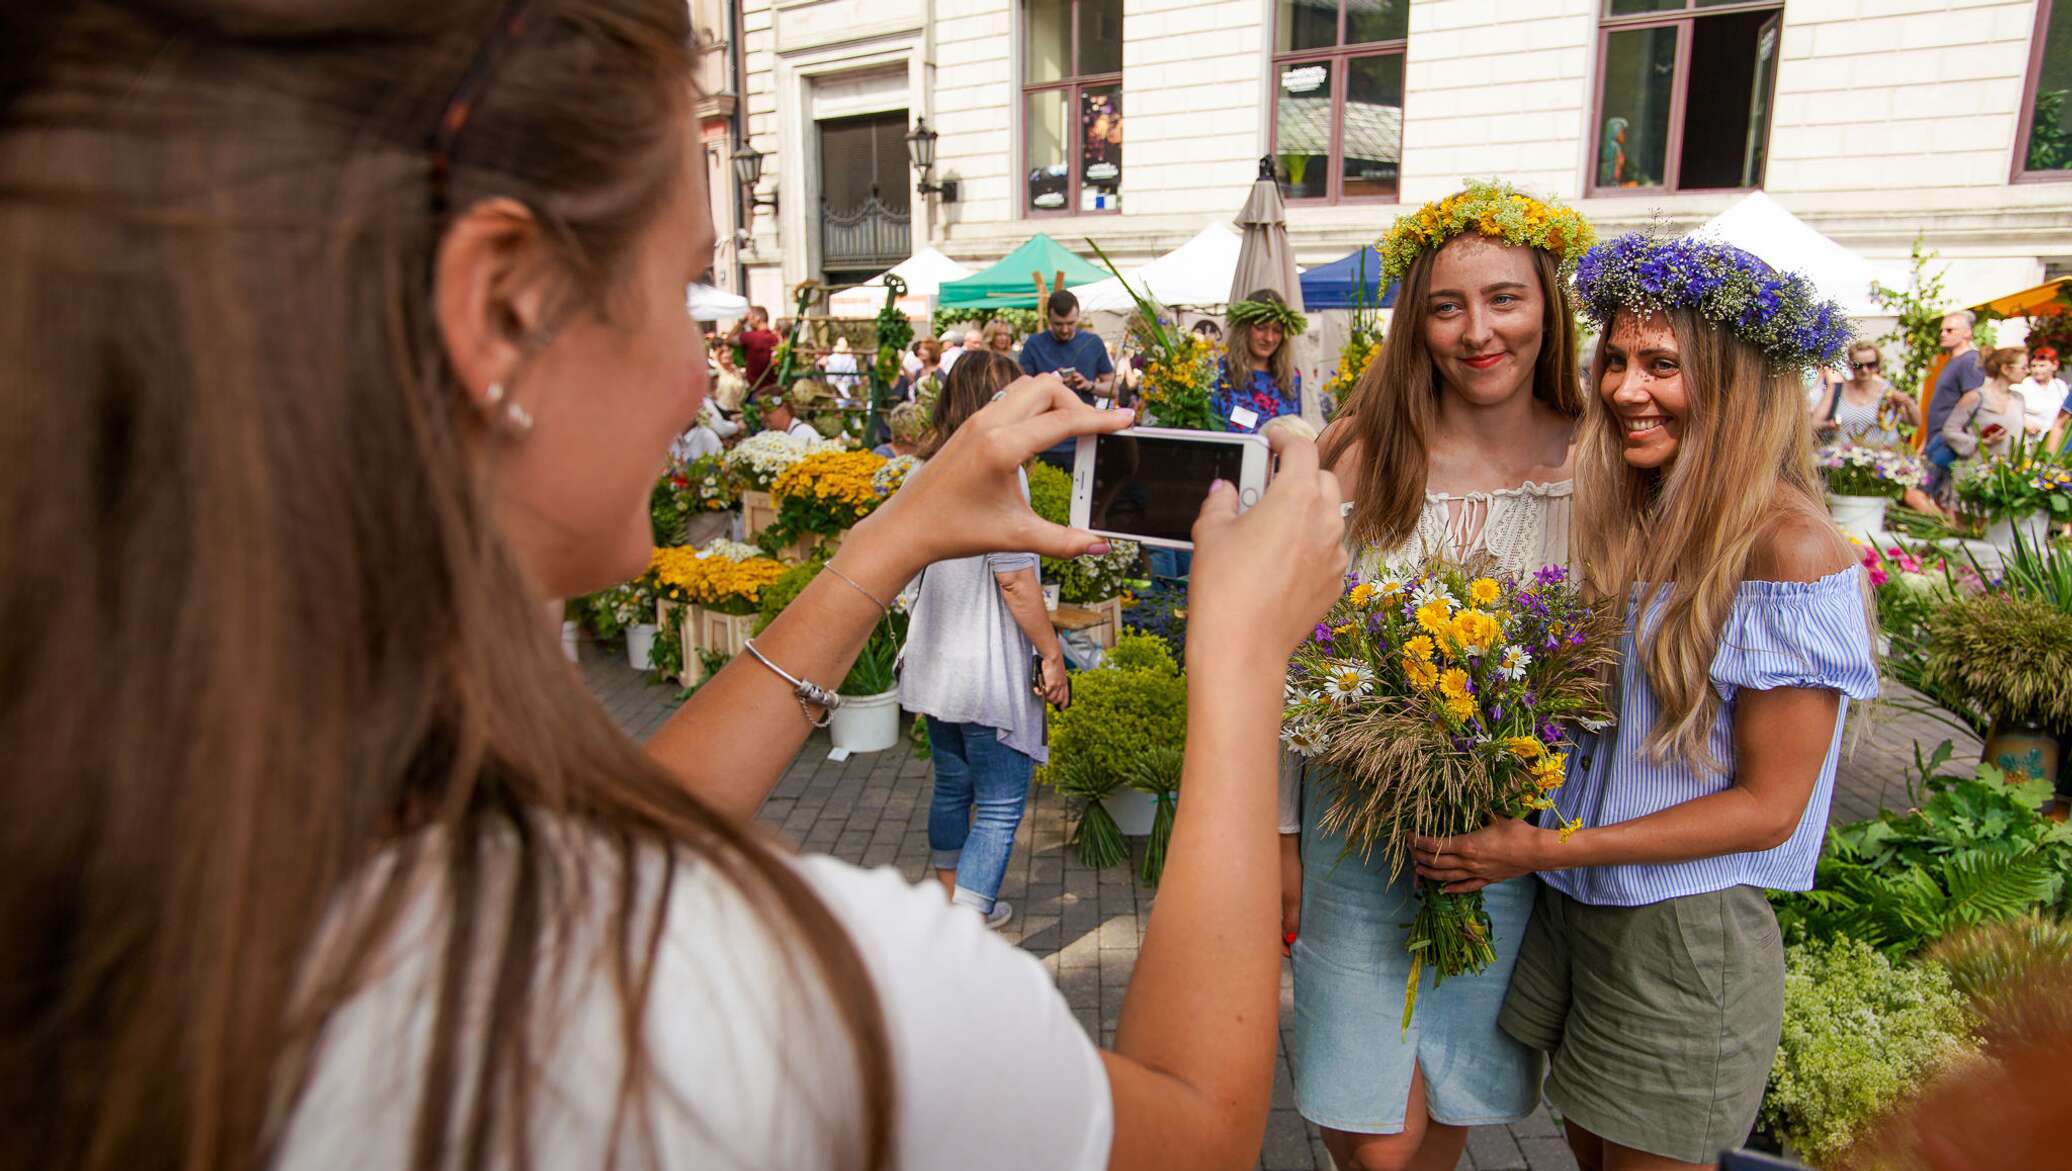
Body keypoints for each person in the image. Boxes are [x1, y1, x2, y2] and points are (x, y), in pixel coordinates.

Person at [1, 5, 1357, 1170]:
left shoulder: (159, 842)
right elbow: (1191, 1123)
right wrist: (1237, 670)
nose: (685, 373)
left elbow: (623, 820)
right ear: (507, 305)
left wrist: (880, 544)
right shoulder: (764, 990)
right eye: (685, 283)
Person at [1415, 232, 1879, 1171]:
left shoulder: (1790, 551)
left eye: (1663, 365)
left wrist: (1545, 845)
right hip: (1584, 911)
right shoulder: (1649, 515)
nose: (1626, 389)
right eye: (1617, 359)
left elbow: (1769, 807)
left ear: (1740, 383)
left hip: (1679, 935)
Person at [1291, 181, 1597, 1171]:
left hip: (1506, 842)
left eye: (1503, 298)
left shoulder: (1601, 456)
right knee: (1372, 1126)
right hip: (1351, 832)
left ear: (1546, 305)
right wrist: (1277, 842)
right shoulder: (1359, 449)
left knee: (1454, 1089)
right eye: (1445, 305)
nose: (1477, 331)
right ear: (1412, 321)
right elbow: (1285, 657)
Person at [899, 352, 1072, 929]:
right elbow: (1016, 582)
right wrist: (1052, 655)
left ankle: (950, 898)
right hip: (983, 668)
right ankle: (966, 929)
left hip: (934, 663)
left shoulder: (920, 469)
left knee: (952, 787)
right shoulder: (1000, 471)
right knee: (999, 805)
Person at [1021, 289, 1116, 468]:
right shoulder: (1034, 344)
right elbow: (1021, 390)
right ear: (1049, 320)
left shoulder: (1092, 342)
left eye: (1070, 323)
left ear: (1078, 317)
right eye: (1058, 324)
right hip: (1044, 441)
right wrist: (1050, 382)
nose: (1065, 330)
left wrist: (1088, 385)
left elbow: (1113, 388)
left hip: (1083, 439)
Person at [1939, 346, 2030, 491]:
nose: (2028, 371)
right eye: (2024, 367)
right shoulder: (1975, 396)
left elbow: (2020, 437)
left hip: (2005, 478)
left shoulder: (2019, 400)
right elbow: (1949, 430)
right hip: (1974, 475)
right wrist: (1979, 442)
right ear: (2006, 369)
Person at [1214, 289, 1305, 434]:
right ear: (1244, 329)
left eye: (1277, 330)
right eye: (1261, 328)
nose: (1269, 338)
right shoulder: (1219, 373)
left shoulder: (1292, 377)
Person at [1812, 341, 1919, 448]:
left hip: (1878, 460)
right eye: (1858, 365)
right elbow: (1814, 424)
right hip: (1841, 460)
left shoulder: (1887, 392)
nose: (1865, 370)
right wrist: (1829, 425)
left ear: (1877, 365)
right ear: (1850, 365)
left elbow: (1915, 422)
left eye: (1870, 365)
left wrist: (1908, 402)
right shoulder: (1836, 389)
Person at [1923, 311, 1983, 489]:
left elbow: (1972, 396)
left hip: (1948, 442)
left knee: (1921, 493)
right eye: (1942, 330)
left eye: (1950, 330)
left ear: (1967, 332)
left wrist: (1951, 431)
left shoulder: (1970, 360)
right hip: (1937, 438)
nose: (1943, 334)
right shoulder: (1953, 360)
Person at [2014, 345, 2067, 438]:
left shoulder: (2061, 386)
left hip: (2054, 439)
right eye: (2033, 366)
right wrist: (2023, 421)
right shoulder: (2021, 386)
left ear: (2055, 366)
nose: (2037, 370)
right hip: (2029, 440)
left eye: (2042, 366)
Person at [736, 304, 782, 394]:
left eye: (749, 318)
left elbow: (729, 339)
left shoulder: (750, 337)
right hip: (773, 388)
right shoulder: (776, 338)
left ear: (757, 318)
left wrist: (741, 322)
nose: (748, 321)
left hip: (757, 389)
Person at [758, 388, 824, 442]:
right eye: (759, 410)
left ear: (784, 407)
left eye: (767, 410)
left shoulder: (805, 435)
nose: (761, 415)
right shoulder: (762, 437)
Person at [711, 342, 750, 415]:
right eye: (723, 352)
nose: (727, 355)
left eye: (728, 351)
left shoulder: (737, 371)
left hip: (739, 412)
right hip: (722, 413)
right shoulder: (715, 372)